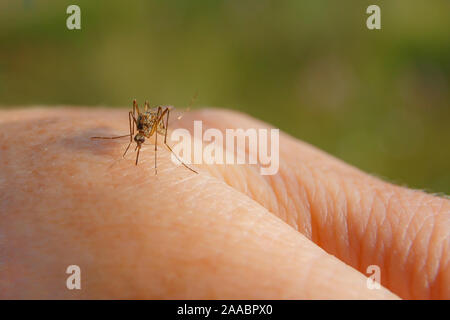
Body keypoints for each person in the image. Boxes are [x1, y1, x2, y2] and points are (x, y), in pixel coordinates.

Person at [0, 107, 448, 299]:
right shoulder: (134, 131)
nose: (139, 138)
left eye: (142, 133)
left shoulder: (155, 128)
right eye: (139, 134)